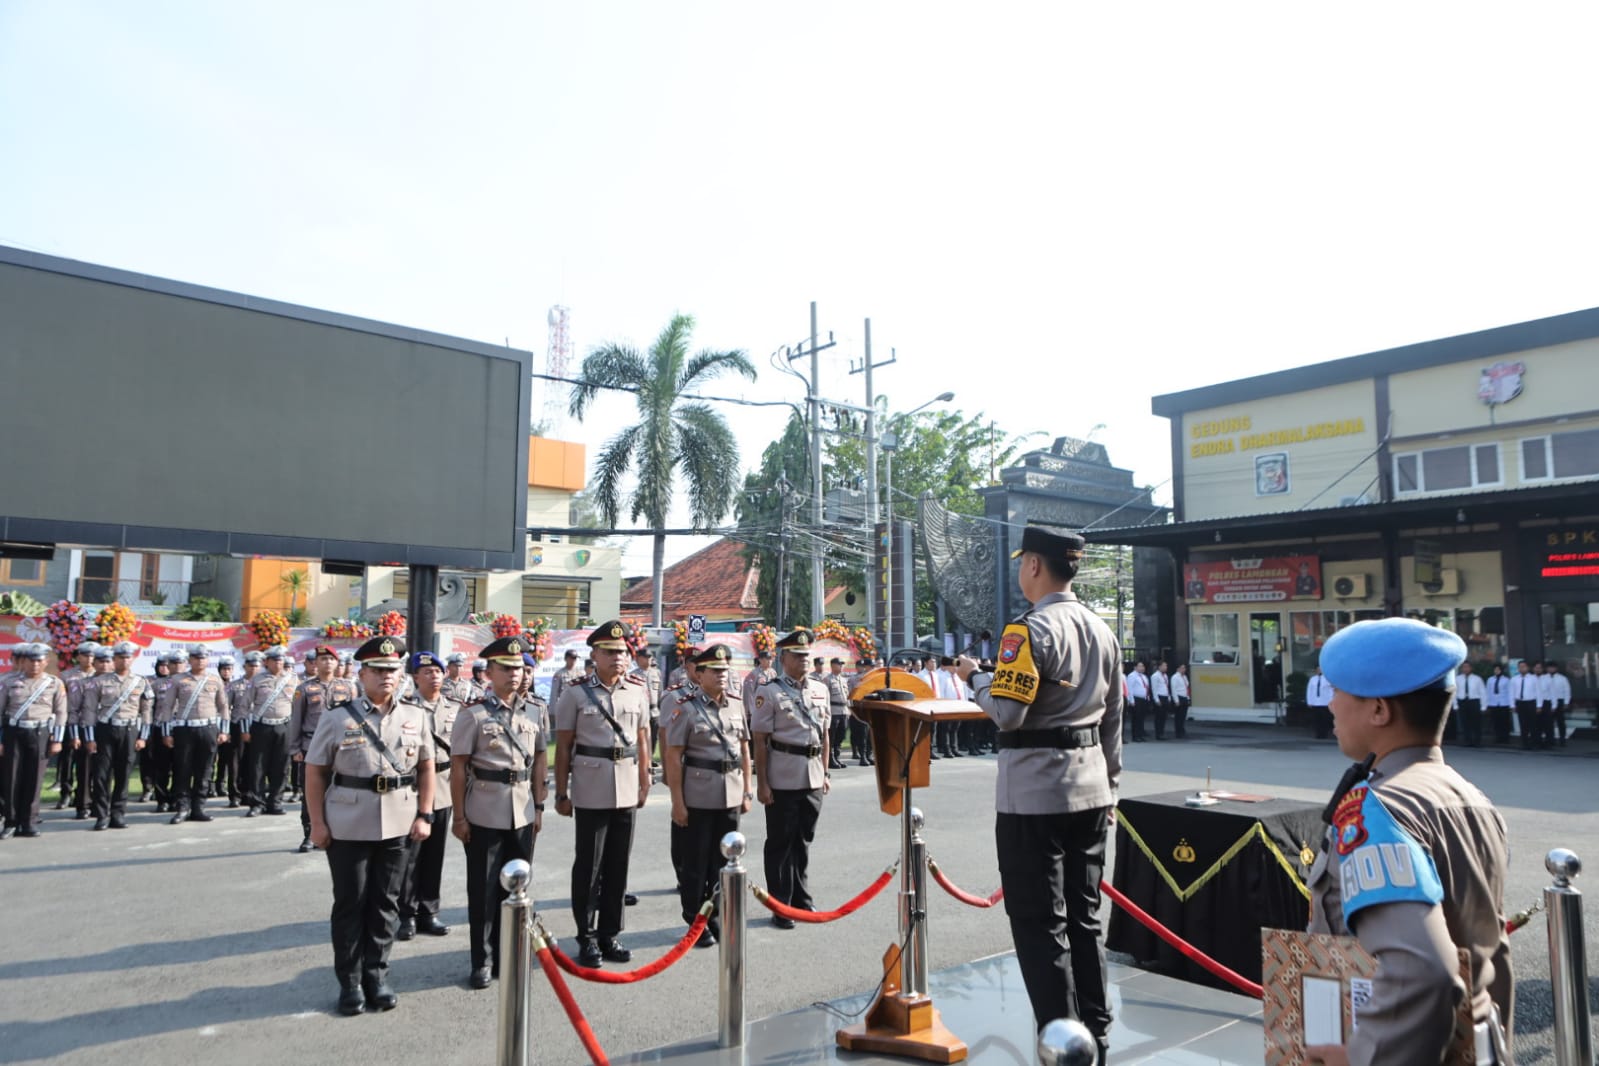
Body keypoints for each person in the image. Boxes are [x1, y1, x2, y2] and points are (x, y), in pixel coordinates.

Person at [1304, 618, 1513, 1066]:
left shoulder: (1377, 809)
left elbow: (1424, 971)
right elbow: (1493, 953)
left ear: (1379, 710)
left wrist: (1364, 1059)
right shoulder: (1472, 798)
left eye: (1338, 691)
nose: (1330, 706)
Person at [954, 524, 1122, 1064]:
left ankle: (1059, 1039)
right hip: (1092, 788)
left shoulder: (1026, 632)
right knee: (1084, 916)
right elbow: (1115, 720)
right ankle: (1095, 1030)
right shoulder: (1103, 630)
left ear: (1033, 565)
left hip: (1035, 795)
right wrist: (1111, 786)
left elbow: (1007, 713)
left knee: (1039, 922)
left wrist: (975, 678)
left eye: (1022, 561)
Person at [303, 636, 435, 1015]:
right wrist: (317, 823)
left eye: (392, 670)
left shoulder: (415, 716)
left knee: (385, 903)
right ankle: (349, 982)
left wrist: (425, 813)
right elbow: (314, 772)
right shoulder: (336, 717)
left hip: (399, 821)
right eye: (378, 670)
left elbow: (426, 766)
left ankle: (377, 975)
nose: (386, 677)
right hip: (347, 822)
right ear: (361, 674)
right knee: (350, 903)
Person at [449, 637, 546, 988]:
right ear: (489, 672)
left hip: (521, 811)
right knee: (484, 888)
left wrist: (538, 805)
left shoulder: (535, 710)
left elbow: (539, 761)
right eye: (506, 668)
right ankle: (483, 959)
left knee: (517, 887)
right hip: (485, 809)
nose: (514, 674)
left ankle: (512, 953)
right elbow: (458, 768)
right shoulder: (472, 713)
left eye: (518, 667)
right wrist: (459, 817)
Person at [553, 620, 650, 967]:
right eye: (610, 652)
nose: (618, 658)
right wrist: (561, 792)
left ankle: (611, 933)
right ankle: (587, 935)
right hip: (591, 788)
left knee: (618, 865)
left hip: (626, 785)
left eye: (623, 652)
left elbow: (642, 739)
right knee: (589, 867)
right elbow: (563, 746)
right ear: (594, 654)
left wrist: (645, 779)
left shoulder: (637, 690)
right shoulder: (576, 693)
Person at [664, 644, 751, 948]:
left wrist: (747, 790)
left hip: (730, 791)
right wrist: (677, 801)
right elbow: (674, 757)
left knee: (722, 861)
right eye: (715, 671)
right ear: (698, 674)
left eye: (725, 670)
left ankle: (715, 915)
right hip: (698, 794)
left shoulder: (737, 705)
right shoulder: (685, 706)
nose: (721, 675)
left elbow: (744, 750)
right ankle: (694, 918)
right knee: (696, 862)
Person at [750, 628, 831, 930]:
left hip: (812, 774)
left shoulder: (820, 689)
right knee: (780, 843)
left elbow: (825, 735)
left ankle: (801, 899)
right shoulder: (768, 692)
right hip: (783, 776)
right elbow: (760, 741)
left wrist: (825, 772)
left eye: (807, 655)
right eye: (798, 656)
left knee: (803, 840)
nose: (804, 660)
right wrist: (762, 783)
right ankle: (780, 904)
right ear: (784, 658)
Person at [291, 645, 359, 851]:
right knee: (312, 792)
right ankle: (310, 833)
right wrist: (295, 748)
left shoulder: (348, 687)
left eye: (331, 659)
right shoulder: (303, 688)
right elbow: (296, 720)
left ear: (337, 663)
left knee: (342, 790)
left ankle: (339, 832)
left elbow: (357, 720)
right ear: (315, 663)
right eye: (322, 659)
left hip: (342, 747)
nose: (327, 662)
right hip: (311, 746)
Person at [79, 641, 154, 830]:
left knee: (124, 774)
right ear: (114, 660)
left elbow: (146, 712)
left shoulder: (141, 681)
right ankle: (101, 815)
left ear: (133, 659)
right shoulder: (100, 681)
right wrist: (89, 738)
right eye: (120, 657)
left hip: (129, 731)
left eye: (128, 657)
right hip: (105, 730)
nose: (124, 661)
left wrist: (143, 736)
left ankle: (118, 814)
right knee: (102, 774)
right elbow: (89, 712)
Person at [0, 644, 70, 838]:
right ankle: (11, 822)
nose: (35, 664)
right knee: (11, 777)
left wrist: (58, 739)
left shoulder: (54, 683)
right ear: (24, 662)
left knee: (35, 778)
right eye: (32, 660)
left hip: (41, 734)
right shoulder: (8, 681)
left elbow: (61, 712)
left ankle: (29, 822)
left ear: (46, 662)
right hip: (15, 731)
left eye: (39, 660)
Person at [164, 645, 231, 824]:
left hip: (208, 728)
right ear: (190, 660)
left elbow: (223, 706)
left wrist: (224, 730)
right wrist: (167, 732)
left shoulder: (215, 680)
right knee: (183, 768)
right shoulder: (178, 679)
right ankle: (182, 808)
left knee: (205, 769)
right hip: (184, 729)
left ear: (208, 660)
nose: (199, 660)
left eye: (203, 657)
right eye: (196, 657)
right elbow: (167, 706)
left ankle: (199, 807)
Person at [245, 647, 299, 816]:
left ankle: (275, 801)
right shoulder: (257, 680)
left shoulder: (293, 679)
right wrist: (245, 729)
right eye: (275, 659)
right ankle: (257, 803)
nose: (278, 662)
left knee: (282, 766)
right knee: (258, 765)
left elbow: (298, 706)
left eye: (281, 659)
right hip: (262, 726)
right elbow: (245, 706)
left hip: (284, 726)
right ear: (266, 662)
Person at [63, 645, 113, 820]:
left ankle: (102, 804)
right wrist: (75, 735)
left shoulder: (117, 682)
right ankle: (83, 805)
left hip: (109, 728)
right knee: (84, 769)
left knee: (106, 771)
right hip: (86, 729)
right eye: (99, 660)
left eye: (106, 660)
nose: (102, 664)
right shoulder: (81, 683)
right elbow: (73, 711)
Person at [55, 641, 96, 816]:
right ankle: (65, 792)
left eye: (92, 655)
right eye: (85, 655)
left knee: (89, 764)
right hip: (70, 722)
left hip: (92, 725)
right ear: (78, 656)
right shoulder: (66, 676)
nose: (89, 659)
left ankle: (88, 796)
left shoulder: (100, 675)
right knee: (67, 760)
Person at [220, 653, 260, 808]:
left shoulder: (264, 683)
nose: (254, 668)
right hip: (237, 726)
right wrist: (225, 730)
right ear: (244, 667)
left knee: (254, 762)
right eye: (251, 665)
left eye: (256, 665)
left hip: (257, 726)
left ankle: (251, 793)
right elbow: (225, 708)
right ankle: (235, 795)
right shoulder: (235, 685)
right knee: (235, 762)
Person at [630, 648, 663, 773]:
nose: (649, 660)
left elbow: (660, 691)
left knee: (653, 737)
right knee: (640, 738)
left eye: (650, 658)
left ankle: (648, 760)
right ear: (638, 659)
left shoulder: (656, 673)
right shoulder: (633, 675)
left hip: (654, 710)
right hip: (640, 711)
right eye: (646, 657)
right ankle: (641, 761)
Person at [823, 658, 851, 769]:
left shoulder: (843, 680)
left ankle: (837, 757)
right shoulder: (827, 679)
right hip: (833, 711)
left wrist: (849, 710)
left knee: (841, 735)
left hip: (843, 711)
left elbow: (847, 695)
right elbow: (825, 697)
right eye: (839, 664)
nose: (841, 666)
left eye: (842, 664)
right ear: (833, 666)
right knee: (832, 736)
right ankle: (830, 758)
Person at [848, 658, 876, 765]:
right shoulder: (857, 679)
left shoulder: (875, 678)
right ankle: (863, 756)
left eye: (873, 666)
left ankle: (869, 755)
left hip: (872, 709)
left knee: (870, 735)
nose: (872, 668)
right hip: (861, 709)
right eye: (870, 666)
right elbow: (851, 695)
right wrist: (852, 710)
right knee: (862, 734)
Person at [1455, 663, 1487, 748]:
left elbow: (1483, 692)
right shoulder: (1458, 679)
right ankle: (1467, 740)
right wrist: (1455, 705)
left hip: (1474, 701)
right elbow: (1454, 692)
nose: (1465, 669)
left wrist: (1484, 706)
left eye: (1467, 667)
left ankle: (1477, 741)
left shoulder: (1477, 679)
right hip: (1462, 701)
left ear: (1471, 668)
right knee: (1465, 723)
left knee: (1476, 722)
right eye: (1464, 667)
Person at [740, 651, 774, 726]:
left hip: (770, 710)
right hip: (758, 710)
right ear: (760, 660)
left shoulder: (773, 673)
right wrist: (751, 712)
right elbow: (749, 694)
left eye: (771, 659)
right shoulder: (754, 674)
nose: (770, 661)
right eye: (767, 659)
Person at [1510, 660, 1537, 750]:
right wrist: (1512, 705)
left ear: (1528, 667)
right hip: (1520, 703)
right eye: (1520, 667)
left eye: (1524, 666)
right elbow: (1511, 693)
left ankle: (1534, 743)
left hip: (1531, 702)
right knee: (1523, 724)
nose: (1522, 668)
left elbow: (1539, 692)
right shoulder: (1514, 679)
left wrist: (1539, 705)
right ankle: (1524, 743)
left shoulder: (1534, 678)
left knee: (1532, 724)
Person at [1544, 660, 1571, 748]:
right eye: (1549, 668)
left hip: (1560, 701)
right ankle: (1550, 740)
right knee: (1549, 722)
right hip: (1549, 702)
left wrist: (1566, 702)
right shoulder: (1543, 678)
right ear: (1547, 669)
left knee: (1560, 722)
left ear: (1556, 668)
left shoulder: (1562, 678)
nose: (1551, 669)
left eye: (1553, 667)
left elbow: (1567, 691)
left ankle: (1562, 739)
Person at [1485, 664, 1512, 745]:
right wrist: (1487, 703)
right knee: (1496, 722)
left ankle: (1505, 738)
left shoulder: (1506, 680)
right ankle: (1498, 737)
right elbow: (1488, 692)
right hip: (1493, 703)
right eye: (1495, 670)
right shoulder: (1490, 679)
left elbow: (1509, 692)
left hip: (1504, 703)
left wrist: (1511, 704)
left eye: (1498, 670)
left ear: (1501, 671)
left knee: (1504, 722)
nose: (1497, 671)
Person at [1125, 660, 1151, 742]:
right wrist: (1131, 700)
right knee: (1136, 718)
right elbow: (1130, 688)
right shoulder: (1132, 676)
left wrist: (1147, 696)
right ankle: (1135, 736)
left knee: (1141, 718)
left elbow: (1146, 687)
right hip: (1136, 699)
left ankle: (1140, 734)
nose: (1142, 668)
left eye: (1143, 666)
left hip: (1143, 699)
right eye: (1140, 666)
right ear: (1135, 667)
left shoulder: (1143, 676)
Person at [1306, 666, 1334, 740]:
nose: (1319, 671)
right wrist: (1309, 701)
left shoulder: (1328, 679)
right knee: (1317, 719)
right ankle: (1318, 733)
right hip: (1315, 702)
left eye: (1320, 669)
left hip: (1325, 702)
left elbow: (1331, 690)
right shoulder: (1313, 679)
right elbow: (1309, 690)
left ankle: (1324, 733)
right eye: (1318, 669)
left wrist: (1331, 700)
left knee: (1325, 719)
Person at [1150, 660, 1171, 741]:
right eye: (1164, 666)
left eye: (1166, 666)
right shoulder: (1155, 676)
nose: (1166, 667)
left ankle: (1162, 732)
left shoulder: (1165, 676)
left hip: (1165, 696)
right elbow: (1154, 688)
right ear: (1159, 667)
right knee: (1158, 717)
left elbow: (1166, 687)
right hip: (1159, 697)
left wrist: (1168, 696)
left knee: (1163, 716)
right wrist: (1156, 699)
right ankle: (1158, 734)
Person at [1170, 663, 1191, 739]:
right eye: (1182, 668)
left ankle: (1182, 730)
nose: (1184, 669)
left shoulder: (1184, 677)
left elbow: (1186, 688)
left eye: (1184, 668)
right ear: (1178, 669)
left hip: (1184, 697)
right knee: (1178, 716)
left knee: (1183, 716)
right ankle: (1178, 732)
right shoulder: (1175, 677)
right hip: (1179, 697)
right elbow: (1174, 689)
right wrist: (1176, 700)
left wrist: (1188, 698)